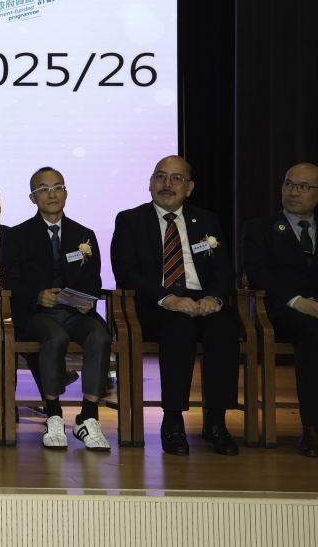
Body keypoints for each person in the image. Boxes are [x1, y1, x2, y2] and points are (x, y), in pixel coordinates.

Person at [111, 155, 240, 456]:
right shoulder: (130, 220)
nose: (167, 184)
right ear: (150, 183)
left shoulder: (206, 220)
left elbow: (224, 270)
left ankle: (216, 421)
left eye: (176, 178)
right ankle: (172, 420)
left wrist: (213, 298)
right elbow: (126, 271)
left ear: (189, 187)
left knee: (224, 329)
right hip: (156, 303)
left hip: (202, 300)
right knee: (179, 328)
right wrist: (168, 299)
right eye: (160, 176)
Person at [1, 167, 112, 451]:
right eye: (44, 189)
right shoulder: (17, 236)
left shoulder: (84, 234)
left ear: (65, 193)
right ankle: (53, 415)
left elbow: (93, 279)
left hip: (75, 313)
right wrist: (37, 297)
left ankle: (88, 417)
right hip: (36, 314)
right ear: (32, 197)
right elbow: (10, 281)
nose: (52, 194)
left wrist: (85, 298)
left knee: (100, 335)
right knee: (55, 337)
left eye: (58, 187)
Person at [241, 162, 318, 457]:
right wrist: (298, 302)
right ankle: (312, 426)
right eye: (288, 184)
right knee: (312, 332)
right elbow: (258, 274)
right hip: (278, 311)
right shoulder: (259, 228)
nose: (293, 192)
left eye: (303, 186)